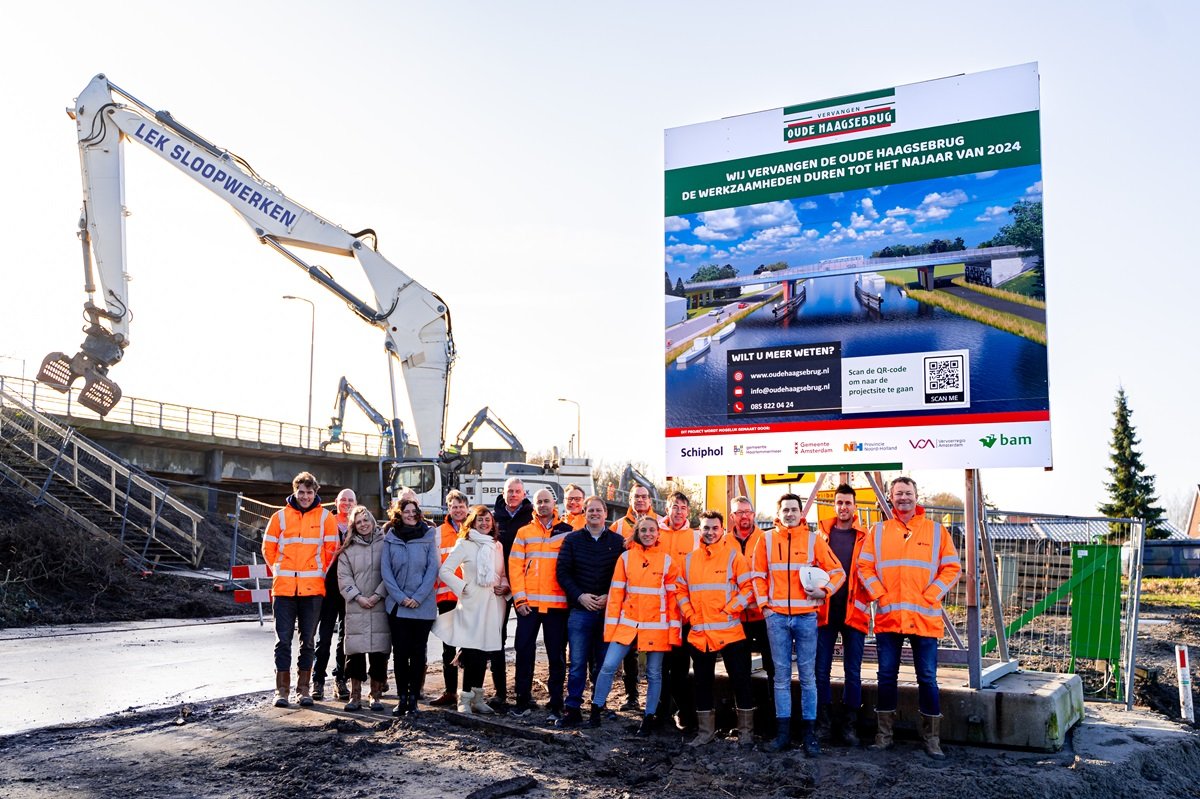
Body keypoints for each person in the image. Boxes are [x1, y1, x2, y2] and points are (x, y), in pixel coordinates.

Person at [859, 476, 961, 759]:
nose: (903, 497)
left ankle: (931, 738)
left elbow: (952, 568)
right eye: (898, 493)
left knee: (927, 677)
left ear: (917, 497)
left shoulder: (937, 531)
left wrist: (931, 594)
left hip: (924, 617)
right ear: (890, 498)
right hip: (889, 616)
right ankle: (884, 735)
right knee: (886, 675)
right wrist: (879, 594)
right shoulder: (878, 531)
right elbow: (864, 567)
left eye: (908, 493)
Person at [752, 493, 846, 756]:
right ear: (778, 512)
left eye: (794, 509)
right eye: (786, 510)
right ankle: (783, 734)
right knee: (781, 677)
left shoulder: (814, 540)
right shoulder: (766, 539)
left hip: (806, 617)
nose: (790, 514)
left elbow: (838, 572)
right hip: (777, 618)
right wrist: (765, 607)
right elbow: (757, 576)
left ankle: (809, 735)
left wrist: (825, 592)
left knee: (808, 678)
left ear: (800, 513)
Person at [589, 516, 681, 734]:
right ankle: (596, 708)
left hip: (656, 627)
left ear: (659, 534)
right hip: (628, 623)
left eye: (652, 530)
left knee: (654, 673)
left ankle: (648, 718)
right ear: (637, 533)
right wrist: (611, 629)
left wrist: (673, 632)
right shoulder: (626, 558)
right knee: (609, 666)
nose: (648, 534)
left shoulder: (667, 561)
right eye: (644, 530)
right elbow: (615, 595)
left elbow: (673, 601)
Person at [675, 510, 756, 746]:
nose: (710, 532)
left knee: (741, 681)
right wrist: (689, 613)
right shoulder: (689, 560)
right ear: (699, 530)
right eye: (706, 528)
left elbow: (749, 589)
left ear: (722, 530)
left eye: (714, 528)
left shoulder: (734, 557)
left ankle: (746, 733)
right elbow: (680, 590)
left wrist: (730, 610)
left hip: (730, 632)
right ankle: (704, 733)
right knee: (702, 683)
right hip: (700, 634)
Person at [262, 472, 339, 708]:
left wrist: (316, 572)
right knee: (282, 641)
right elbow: (268, 548)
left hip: (312, 590)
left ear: (315, 493)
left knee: (308, 641)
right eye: (301, 492)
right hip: (284, 589)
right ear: (295, 491)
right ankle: (281, 691)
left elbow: (331, 550)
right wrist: (280, 571)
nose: (305, 496)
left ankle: (303, 690)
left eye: (309, 492)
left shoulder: (326, 518)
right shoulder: (279, 517)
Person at [432, 505, 511, 714]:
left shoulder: (497, 546)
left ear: (492, 523)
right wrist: (463, 587)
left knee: (485, 651)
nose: (484, 524)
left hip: (493, 603)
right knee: (472, 651)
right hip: (471, 603)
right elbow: (445, 571)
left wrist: (505, 584)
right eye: (480, 520)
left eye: (487, 520)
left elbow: (501, 572)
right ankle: (464, 699)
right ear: (472, 523)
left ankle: (478, 698)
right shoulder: (464, 544)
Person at [554, 496, 625, 728]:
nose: (594, 513)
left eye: (598, 510)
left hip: (607, 612)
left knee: (603, 664)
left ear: (606, 514)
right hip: (580, 610)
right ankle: (572, 707)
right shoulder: (572, 540)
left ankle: (600, 705)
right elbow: (563, 572)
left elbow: (624, 575)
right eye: (590, 510)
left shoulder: (618, 542)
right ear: (584, 513)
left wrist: (609, 596)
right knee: (577, 663)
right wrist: (580, 596)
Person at [509, 488, 574, 719]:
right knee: (523, 652)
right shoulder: (524, 532)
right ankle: (522, 701)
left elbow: (571, 568)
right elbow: (515, 568)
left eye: (547, 501)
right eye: (539, 502)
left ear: (554, 503)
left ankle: (556, 703)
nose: (543, 505)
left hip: (557, 606)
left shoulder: (567, 532)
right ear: (533, 505)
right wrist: (519, 599)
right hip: (529, 605)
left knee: (556, 656)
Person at [814, 483, 871, 746]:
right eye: (839, 502)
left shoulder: (865, 537)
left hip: (854, 613)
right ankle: (823, 724)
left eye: (848, 502)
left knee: (853, 672)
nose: (843, 507)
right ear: (834, 505)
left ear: (855, 506)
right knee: (820, 670)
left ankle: (850, 726)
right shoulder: (821, 536)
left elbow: (873, 570)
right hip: (824, 613)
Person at [380, 499, 440, 716]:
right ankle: (402, 698)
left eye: (414, 512)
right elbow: (386, 571)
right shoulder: (390, 537)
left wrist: (418, 597)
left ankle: (414, 698)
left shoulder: (428, 536)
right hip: (397, 607)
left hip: (422, 607)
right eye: (406, 511)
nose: (411, 515)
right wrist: (400, 597)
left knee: (417, 654)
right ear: (400, 513)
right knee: (400, 653)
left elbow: (433, 568)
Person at [338, 505, 390, 711]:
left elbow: (390, 572)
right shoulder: (347, 549)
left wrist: (378, 595)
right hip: (356, 606)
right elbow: (343, 577)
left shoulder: (386, 544)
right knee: (355, 653)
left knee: (379, 653)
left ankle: (375, 695)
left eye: (366, 520)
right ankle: (355, 695)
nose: (363, 524)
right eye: (358, 521)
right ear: (353, 525)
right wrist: (358, 597)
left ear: (372, 521)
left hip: (379, 604)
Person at [611, 484, 657, 711]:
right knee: (629, 652)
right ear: (629, 499)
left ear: (650, 500)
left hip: (655, 598)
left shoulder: (661, 524)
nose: (640, 500)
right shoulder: (618, 526)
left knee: (656, 654)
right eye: (636, 496)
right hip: (629, 599)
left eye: (644, 497)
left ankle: (658, 700)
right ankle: (632, 696)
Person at [488, 477, 533, 712]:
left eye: (517, 491)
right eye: (510, 491)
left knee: (525, 642)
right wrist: (502, 582)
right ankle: (499, 692)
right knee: (497, 639)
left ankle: (524, 693)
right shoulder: (494, 518)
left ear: (524, 494)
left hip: (525, 587)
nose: (514, 495)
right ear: (503, 494)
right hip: (500, 587)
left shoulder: (532, 517)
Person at [657, 490, 700, 733]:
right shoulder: (654, 532)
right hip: (658, 615)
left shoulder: (695, 538)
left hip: (683, 615)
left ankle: (682, 712)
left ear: (688, 512)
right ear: (667, 508)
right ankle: (660, 714)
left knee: (680, 668)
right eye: (674, 507)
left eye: (683, 508)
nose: (678, 512)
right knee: (658, 668)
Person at [729, 496, 774, 716]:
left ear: (754, 515)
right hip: (736, 618)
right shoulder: (724, 542)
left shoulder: (767, 539)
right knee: (740, 670)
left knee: (773, 668)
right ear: (732, 517)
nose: (744, 516)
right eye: (739, 512)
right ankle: (745, 719)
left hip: (764, 616)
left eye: (748, 511)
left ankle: (773, 716)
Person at [313, 488, 356, 702]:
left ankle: (341, 679)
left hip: (350, 588)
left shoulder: (359, 524)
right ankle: (317, 679)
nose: (347, 503)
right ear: (337, 502)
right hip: (329, 587)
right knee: (325, 635)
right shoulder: (326, 521)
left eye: (351, 500)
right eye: (343, 500)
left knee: (345, 638)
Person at [429, 489, 469, 706]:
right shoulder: (438, 532)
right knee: (448, 648)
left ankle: (468, 693)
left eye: (461, 506)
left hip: (469, 598)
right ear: (448, 508)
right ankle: (450, 691)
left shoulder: (473, 531)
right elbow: (435, 564)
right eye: (454, 506)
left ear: (467, 508)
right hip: (446, 596)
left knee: (469, 646)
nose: (458, 510)